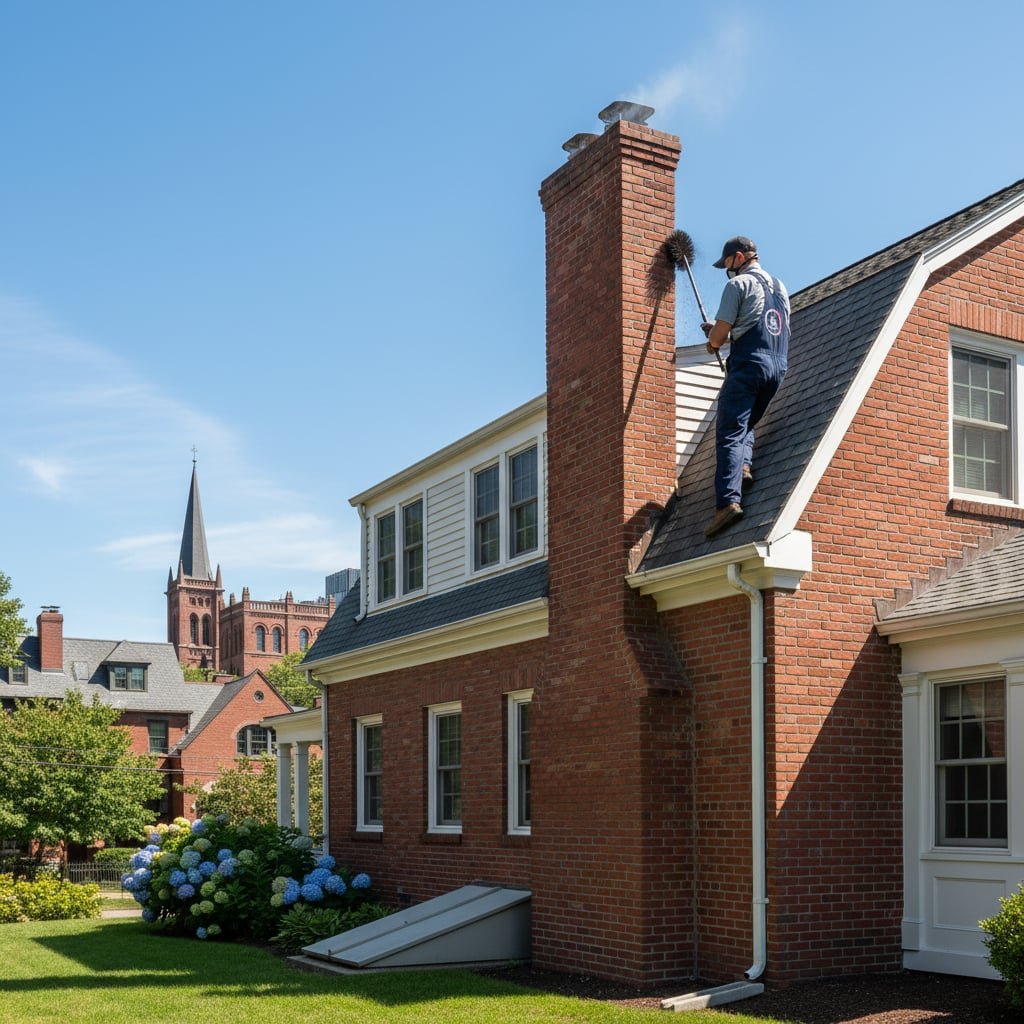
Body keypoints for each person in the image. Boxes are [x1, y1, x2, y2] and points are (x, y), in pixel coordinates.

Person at [700, 236, 790, 538]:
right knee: (746, 418)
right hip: (777, 366)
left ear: (739, 257)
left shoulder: (737, 285)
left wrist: (713, 338)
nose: (727, 271)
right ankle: (744, 467)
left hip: (749, 363)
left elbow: (720, 336)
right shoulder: (781, 288)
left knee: (729, 430)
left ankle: (727, 502)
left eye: (727, 265)